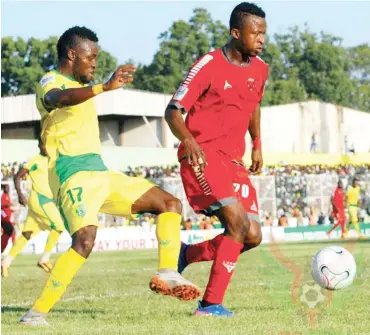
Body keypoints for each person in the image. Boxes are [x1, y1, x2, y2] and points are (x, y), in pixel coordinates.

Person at [20, 26, 200, 326]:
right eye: (91, 57)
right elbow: (59, 98)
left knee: (169, 203)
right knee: (85, 240)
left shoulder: (81, 84)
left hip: (100, 171)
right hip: (71, 174)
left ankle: (168, 271)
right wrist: (103, 87)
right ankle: (35, 314)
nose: (94, 63)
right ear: (72, 54)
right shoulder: (50, 80)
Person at [165, 2, 268, 316]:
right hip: (202, 156)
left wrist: (257, 143)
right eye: (255, 32)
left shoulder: (260, 69)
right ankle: (210, 305)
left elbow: (253, 105)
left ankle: (187, 254)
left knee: (252, 235)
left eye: (264, 32)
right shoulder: (208, 64)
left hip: (233, 160)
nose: (261, 39)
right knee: (237, 223)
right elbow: (173, 111)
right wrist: (189, 140)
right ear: (235, 33)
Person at [2, 139, 65, 278]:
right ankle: (45, 259)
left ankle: (5, 262)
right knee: (59, 226)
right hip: (40, 200)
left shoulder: (54, 161)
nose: (46, 147)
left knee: (27, 234)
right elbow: (18, 176)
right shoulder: (34, 161)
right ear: (39, 146)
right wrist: (19, 194)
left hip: (45, 202)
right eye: (44, 145)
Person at [1, 184, 14, 254]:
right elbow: (2, 205)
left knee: (9, 231)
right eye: (6, 187)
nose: (8, 189)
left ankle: (2, 248)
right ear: (4, 188)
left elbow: (6, 207)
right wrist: (7, 205)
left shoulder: (7, 196)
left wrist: (11, 209)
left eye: (8, 187)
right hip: (3, 217)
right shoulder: (3, 196)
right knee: (10, 229)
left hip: (5, 217)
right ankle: (2, 248)